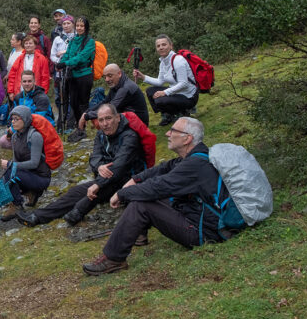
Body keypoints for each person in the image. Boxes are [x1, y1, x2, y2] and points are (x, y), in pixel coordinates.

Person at [82, 117, 223, 275]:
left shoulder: (194, 165)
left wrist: (122, 194)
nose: (168, 133)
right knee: (143, 194)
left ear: (187, 138)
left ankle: (113, 259)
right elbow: (163, 168)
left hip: (204, 233)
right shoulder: (195, 156)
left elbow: (159, 186)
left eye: (173, 131)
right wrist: (135, 179)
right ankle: (138, 234)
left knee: (140, 204)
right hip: (198, 217)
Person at [18, 104, 146, 227]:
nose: (105, 124)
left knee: (94, 191)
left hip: (127, 181)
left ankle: (77, 212)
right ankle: (36, 217)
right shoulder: (101, 134)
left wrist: (97, 184)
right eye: (101, 120)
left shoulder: (130, 137)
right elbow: (95, 157)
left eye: (108, 118)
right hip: (106, 178)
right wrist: (99, 167)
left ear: (117, 117)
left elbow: (119, 166)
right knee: (75, 192)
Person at [0, 105, 52, 220]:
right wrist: (11, 167)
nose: (13, 122)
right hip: (28, 175)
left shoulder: (35, 136)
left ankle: (17, 205)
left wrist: (10, 165)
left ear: (25, 119)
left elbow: (34, 163)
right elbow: (16, 162)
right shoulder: (14, 138)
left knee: (10, 171)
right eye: (12, 119)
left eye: (17, 119)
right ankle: (30, 193)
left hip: (41, 177)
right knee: (7, 174)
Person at [133, 34, 199, 127]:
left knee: (160, 101)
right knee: (150, 91)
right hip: (177, 93)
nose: (161, 48)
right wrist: (143, 77)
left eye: (164, 45)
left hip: (188, 96)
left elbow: (184, 83)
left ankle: (184, 112)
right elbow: (160, 82)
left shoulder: (178, 61)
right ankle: (168, 115)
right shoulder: (163, 62)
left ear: (171, 46)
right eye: (158, 46)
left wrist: (165, 92)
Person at [54, 16, 96, 138]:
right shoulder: (73, 41)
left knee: (83, 103)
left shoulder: (90, 41)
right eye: (77, 25)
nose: (79, 28)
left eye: (81, 26)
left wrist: (66, 63)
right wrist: (60, 63)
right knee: (74, 103)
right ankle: (79, 126)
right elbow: (68, 54)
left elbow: (82, 57)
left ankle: (82, 128)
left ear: (86, 27)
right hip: (72, 75)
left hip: (84, 75)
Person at [79, 64, 150, 129]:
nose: (106, 79)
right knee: (98, 117)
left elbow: (111, 108)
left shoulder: (126, 88)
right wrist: (87, 112)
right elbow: (105, 102)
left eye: (110, 76)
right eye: (105, 77)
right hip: (127, 116)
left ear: (119, 74)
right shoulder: (117, 84)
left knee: (101, 119)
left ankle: (112, 138)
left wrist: (87, 116)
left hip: (139, 123)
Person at [49, 14, 77, 129]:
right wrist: (57, 62)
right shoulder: (58, 38)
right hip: (60, 71)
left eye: (68, 23)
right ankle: (62, 122)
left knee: (73, 96)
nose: (66, 26)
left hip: (74, 70)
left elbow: (77, 53)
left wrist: (64, 54)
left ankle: (72, 121)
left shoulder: (77, 37)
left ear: (73, 24)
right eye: (64, 23)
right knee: (61, 97)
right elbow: (52, 55)